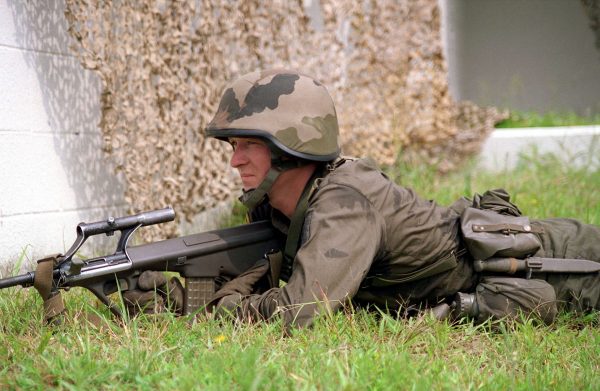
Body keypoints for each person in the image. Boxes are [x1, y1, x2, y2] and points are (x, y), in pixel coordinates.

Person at [128, 69, 600, 329]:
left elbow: (300, 313)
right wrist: (177, 295)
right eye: (233, 147)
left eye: (248, 144)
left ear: (294, 146)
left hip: (562, 263)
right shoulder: (284, 206)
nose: (236, 161)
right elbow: (258, 278)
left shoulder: (343, 203)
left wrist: (214, 309)